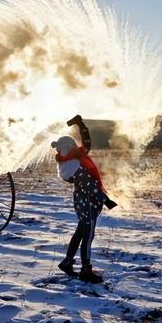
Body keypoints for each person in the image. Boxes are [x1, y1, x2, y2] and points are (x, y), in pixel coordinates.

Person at [51, 115, 117, 283]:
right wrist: (106, 200)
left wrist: (81, 125)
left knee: (80, 233)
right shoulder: (77, 166)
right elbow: (91, 188)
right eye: (73, 144)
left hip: (83, 203)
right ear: (70, 147)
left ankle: (67, 262)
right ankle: (86, 270)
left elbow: (86, 143)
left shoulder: (72, 161)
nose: (77, 146)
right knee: (87, 237)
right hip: (88, 204)